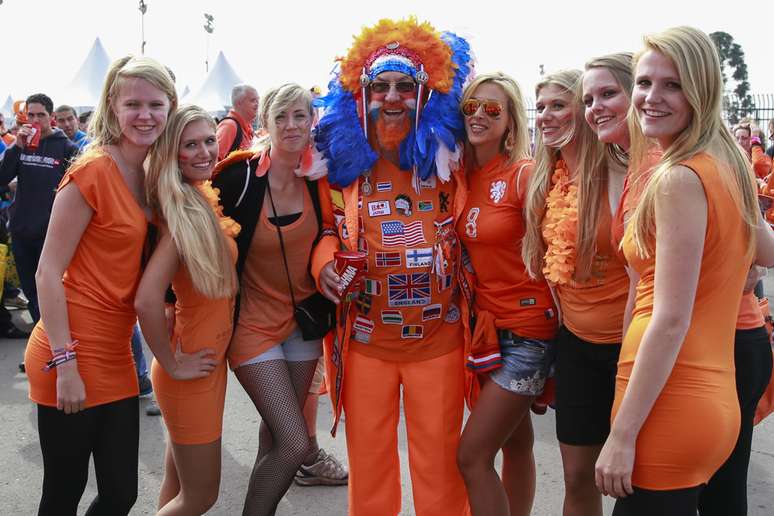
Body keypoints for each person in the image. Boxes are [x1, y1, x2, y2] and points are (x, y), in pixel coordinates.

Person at [594, 26, 774, 514]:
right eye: (645, 82)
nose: (651, 97)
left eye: (672, 84)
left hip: (671, 404)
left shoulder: (678, 178)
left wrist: (623, 435)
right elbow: (766, 249)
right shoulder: (727, 162)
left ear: (702, 89)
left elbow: (671, 318)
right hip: (707, 395)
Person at [311, 17, 474, 515]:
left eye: (406, 86)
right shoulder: (338, 164)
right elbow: (320, 229)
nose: (394, 97)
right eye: (380, 87)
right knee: (370, 461)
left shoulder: (455, 158)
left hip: (439, 343)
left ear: (429, 94)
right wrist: (324, 268)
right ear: (361, 95)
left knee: (441, 463)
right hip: (365, 346)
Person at [23, 56, 178, 515]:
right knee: (63, 493)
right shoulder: (92, 171)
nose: (145, 114)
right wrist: (65, 361)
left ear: (170, 107)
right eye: (133, 103)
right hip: (67, 350)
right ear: (112, 105)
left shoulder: (152, 173)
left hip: (116, 354)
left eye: (155, 104)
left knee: (120, 493)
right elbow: (47, 272)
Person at [212, 83, 327, 515]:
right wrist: (171, 304)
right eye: (282, 116)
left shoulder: (322, 177)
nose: (292, 125)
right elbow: (192, 233)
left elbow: (338, 232)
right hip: (252, 327)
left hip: (304, 324)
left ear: (312, 120)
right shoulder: (237, 177)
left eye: (300, 115)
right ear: (265, 123)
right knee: (296, 444)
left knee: (276, 436)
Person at [522, 68, 628, 516]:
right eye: (541, 106)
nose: (546, 115)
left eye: (559, 105)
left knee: (633, 479)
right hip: (576, 346)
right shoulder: (548, 180)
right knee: (577, 477)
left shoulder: (625, 171)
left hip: (631, 347)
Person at [454, 72, 558, 516]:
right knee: (517, 444)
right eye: (471, 108)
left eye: (492, 109)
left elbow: (570, 241)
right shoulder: (461, 175)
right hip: (488, 333)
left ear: (511, 121)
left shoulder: (526, 176)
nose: (478, 115)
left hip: (528, 335)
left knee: (472, 457)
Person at [135, 104, 239, 515]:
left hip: (201, 363)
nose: (204, 152)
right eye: (189, 145)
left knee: (177, 484)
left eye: (209, 141)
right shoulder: (181, 212)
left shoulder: (196, 196)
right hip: (191, 370)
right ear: (170, 152)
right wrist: (172, 362)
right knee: (200, 496)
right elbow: (147, 298)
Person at [0, 93, 79, 325]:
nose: (35, 120)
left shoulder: (67, 148)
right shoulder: (21, 145)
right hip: (22, 229)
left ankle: (52, 345)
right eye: (31, 115)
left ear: (51, 117)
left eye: (40, 115)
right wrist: (16, 146)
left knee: (52, 293)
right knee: (31, 292)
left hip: (51, 233)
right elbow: (2, 177)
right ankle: (40, 347)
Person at [216, 84, 258, 160]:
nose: (257, 104)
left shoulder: (247, 127)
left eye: (258, 100)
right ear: (239, 103)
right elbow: (214, 159)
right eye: (253, 100)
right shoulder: (229, 126)